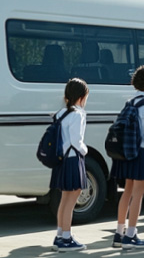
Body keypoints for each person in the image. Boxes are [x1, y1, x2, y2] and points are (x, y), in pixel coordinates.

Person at [111, 65, 144, 250]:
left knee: (127, 192)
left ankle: (119, 232)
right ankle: (131, 235)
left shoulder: (130, 102)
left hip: (127, 152)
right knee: (139, 194)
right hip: (142, 152)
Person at [51, 78, 90, 252]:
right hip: (73, 159)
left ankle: (60, 234)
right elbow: (76, 140)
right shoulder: (78, 113)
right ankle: (66, 238)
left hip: (61, 160)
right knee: (71, 200)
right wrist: (85, 150)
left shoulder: (61, 113)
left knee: (64, 199)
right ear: (82, 96)